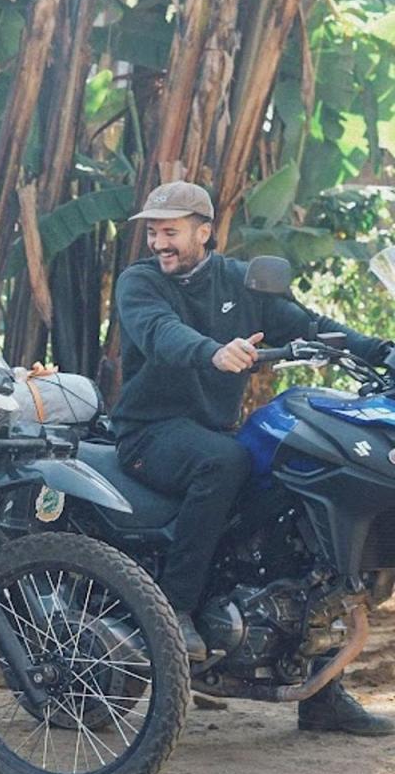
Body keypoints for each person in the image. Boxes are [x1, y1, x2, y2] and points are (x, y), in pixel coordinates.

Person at [111, 179, 393, 736]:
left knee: (296, 504)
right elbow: (159, 333)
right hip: (151, 432)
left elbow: (312, 327)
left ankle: (321, 692)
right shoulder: (139, 283)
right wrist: (212, 351)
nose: (159, 243)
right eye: (153, 232)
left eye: (170, 231)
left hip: (213, 429)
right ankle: (176, 612)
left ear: (204, 231)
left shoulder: (241, 282)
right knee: (226, 462)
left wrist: (380, 351)